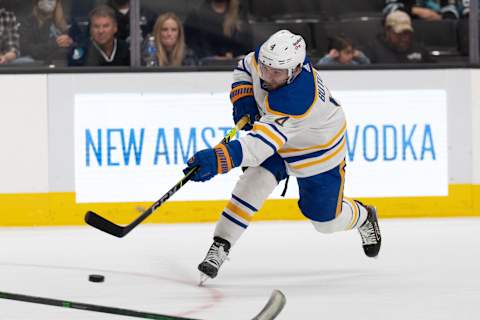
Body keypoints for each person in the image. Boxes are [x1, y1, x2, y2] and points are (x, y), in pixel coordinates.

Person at [182, 30, 382, 282]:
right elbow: (244, 67)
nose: (266, 76)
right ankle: (221, 245)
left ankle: (364, 215)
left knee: (325, 222)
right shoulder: (270, 59)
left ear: (296, 70)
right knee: (253, 183)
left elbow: (256, 148)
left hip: (316, 151)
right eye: (265, 69)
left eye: (275, 73)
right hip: (278, 139)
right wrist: (243, 97)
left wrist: (218, 159)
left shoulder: (298, 99)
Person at [18, 0, 75, 65]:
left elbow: (81, 45)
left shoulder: (69, 22)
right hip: (40, 68)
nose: (49, 1)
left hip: (67, 67)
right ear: (37, 2)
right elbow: (26, 49)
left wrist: (70, 43)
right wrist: (55, 44)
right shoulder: (27, 23)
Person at [364, 10, 434, 63]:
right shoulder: (372, 51)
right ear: (387, 30)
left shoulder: (419, 50)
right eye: (399, 33)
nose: (404, 38)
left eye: (407, 33)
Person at [383, 0, 461, 20]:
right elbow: (389, 9)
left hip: (436, 30)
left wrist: (439, 17)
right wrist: (415, 11)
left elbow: (453, 13)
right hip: (405, 30)